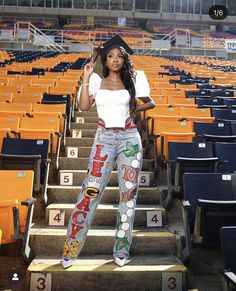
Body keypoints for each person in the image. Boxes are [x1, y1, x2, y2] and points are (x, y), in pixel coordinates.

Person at [61, 35, 155, 269]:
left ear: (125, 60)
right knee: (90, 192)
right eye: (111, 56)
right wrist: (84, 78)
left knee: (128, 196)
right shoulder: (94, 79)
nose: (115, 60)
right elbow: (83, 107)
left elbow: (150, 102)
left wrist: (135, 110)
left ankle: (121, 250)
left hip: (129, 140)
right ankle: (71, 250)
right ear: (105, 59)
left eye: (119, 56)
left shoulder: (135, 77)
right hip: (104, 138)